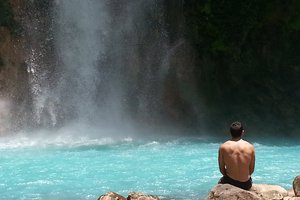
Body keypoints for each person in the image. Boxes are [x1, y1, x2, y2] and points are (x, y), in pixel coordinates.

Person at [218, 121, 255, 190]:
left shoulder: (223, 147)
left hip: (230, 182)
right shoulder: (250, 147)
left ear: (230, 132)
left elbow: (221, 169)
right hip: (246, 184)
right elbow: (251, 170)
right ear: (242, 132)